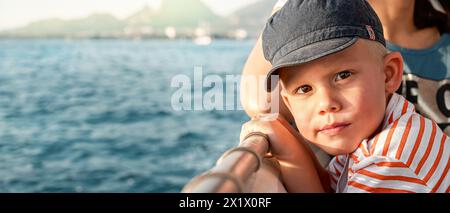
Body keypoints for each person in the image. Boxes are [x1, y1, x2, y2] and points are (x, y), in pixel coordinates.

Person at [240, 0, 450, 193]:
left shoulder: (390, 158)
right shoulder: (371, 134)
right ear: (288, 102)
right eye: (304, 89)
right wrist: (288, 149)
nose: (326, 103)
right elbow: (329, 187)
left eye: (343, 76)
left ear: (389, 75)